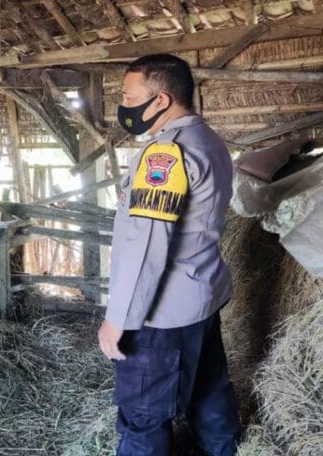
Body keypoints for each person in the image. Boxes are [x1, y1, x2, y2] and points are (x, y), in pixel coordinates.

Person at [97, 54, 241, 456]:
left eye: (128, 95)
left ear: (160, 100)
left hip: (162, 314)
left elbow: (147, 247)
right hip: (202, 296)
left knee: (143, 416)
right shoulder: (208, 139)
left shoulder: (165, 155)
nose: (123, 104)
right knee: (209, 388)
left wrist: (117, 319)